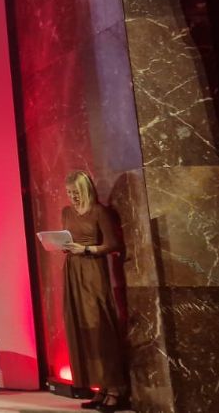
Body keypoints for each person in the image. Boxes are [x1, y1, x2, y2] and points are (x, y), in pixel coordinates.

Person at [60, 170, 128, 412]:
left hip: (92, 271)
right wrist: (64, 246)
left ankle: (115, 389)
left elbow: (113, 244)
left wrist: (86, 250)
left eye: (76, 193)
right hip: (72, 271)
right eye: (69, 193)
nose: (72, 198)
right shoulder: (66, 212)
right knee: (81, 328)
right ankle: (99, 387)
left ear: (86, 190)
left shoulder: (99, 212)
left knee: (100, 327)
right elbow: (69, 238)